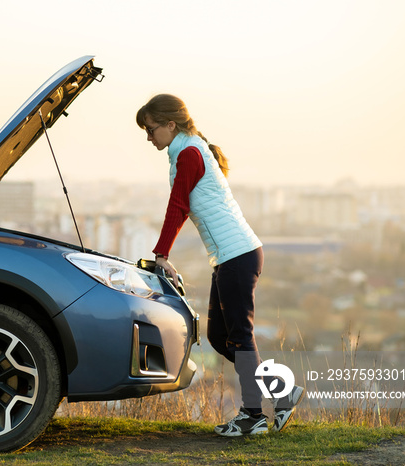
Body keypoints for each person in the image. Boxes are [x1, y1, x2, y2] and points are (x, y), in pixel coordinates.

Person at [136, 94, 304, 436]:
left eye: (150, 129)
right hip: (231, 257)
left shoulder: (189, 153)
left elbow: (178, 205)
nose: (148, 137)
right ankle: (282, 391)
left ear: (171, 125)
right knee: (218, 336)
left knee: (240, 336)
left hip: (236, 256)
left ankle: (253, 415)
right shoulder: (190, 150)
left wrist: (161, 253)